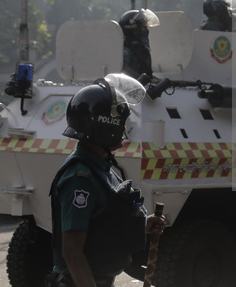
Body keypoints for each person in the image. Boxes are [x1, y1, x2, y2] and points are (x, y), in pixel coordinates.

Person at [47, 74, 165, 287]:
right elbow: (71, 250)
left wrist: (143, 225)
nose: (123, 130)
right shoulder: (80, 178)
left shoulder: (100, 169)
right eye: (120, 123)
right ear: (106, 126)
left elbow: (102, 223)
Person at [119, 9, 160, 80]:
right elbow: (123, 68)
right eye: (143, 27)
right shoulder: (126, 49)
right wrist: (144, 80)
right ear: (133, 28)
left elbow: (146, 74)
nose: (146, 30)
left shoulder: (139, 47)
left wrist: (159, 81)